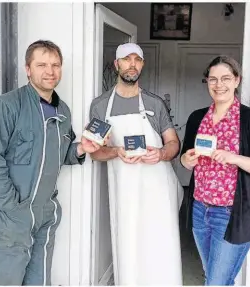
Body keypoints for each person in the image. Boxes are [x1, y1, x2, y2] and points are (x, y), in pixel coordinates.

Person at [0, 40, 102, 285]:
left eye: (55, 65)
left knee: (38, 281)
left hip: (44, 216)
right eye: (41, 64)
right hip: (10, 218)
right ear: (28, 69)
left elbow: (59, 154)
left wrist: (81, 148)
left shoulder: (62, 110)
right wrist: (12, 206)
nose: (49, 71)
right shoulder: (6, 107)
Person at [89, 43, 184, 285]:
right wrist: (115, 151)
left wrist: (162, 154)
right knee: (129, 241)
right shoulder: (100, 106)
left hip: (157, 187)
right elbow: (94, 152)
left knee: (160, 241)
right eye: (126, 59)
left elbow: (173, 142)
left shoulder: (154, 104)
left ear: (142, 64)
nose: (132, 64)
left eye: (137, 59)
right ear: (116, 64)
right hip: (124, 188)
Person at [180, 55, 250, 285]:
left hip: (232, 213)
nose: (218, 84)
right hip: (199, 210)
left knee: (216, 282)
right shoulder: (197, 118)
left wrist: (234, 158)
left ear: (237, 80)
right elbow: (184, 158)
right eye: (212, 79)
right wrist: (187, 159)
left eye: (225, 78)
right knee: (217, 278)